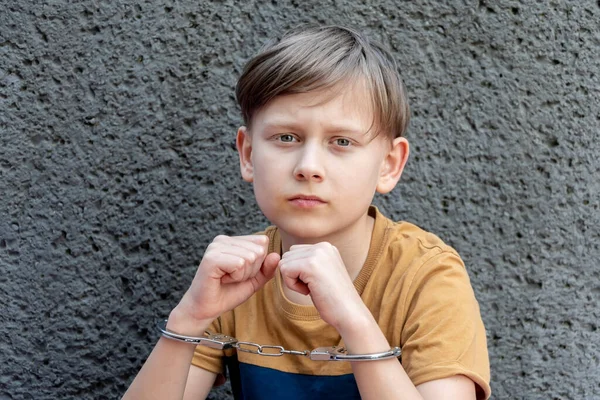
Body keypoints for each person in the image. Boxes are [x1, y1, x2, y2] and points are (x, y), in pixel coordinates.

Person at [123, 25, 491, 400]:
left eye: (342, 142)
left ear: (389, 164)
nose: (308, 166)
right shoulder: (238, 277)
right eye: (287, 137)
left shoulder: (425, 276)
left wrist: (353, 319)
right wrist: (189, 319)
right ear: (248, 154)